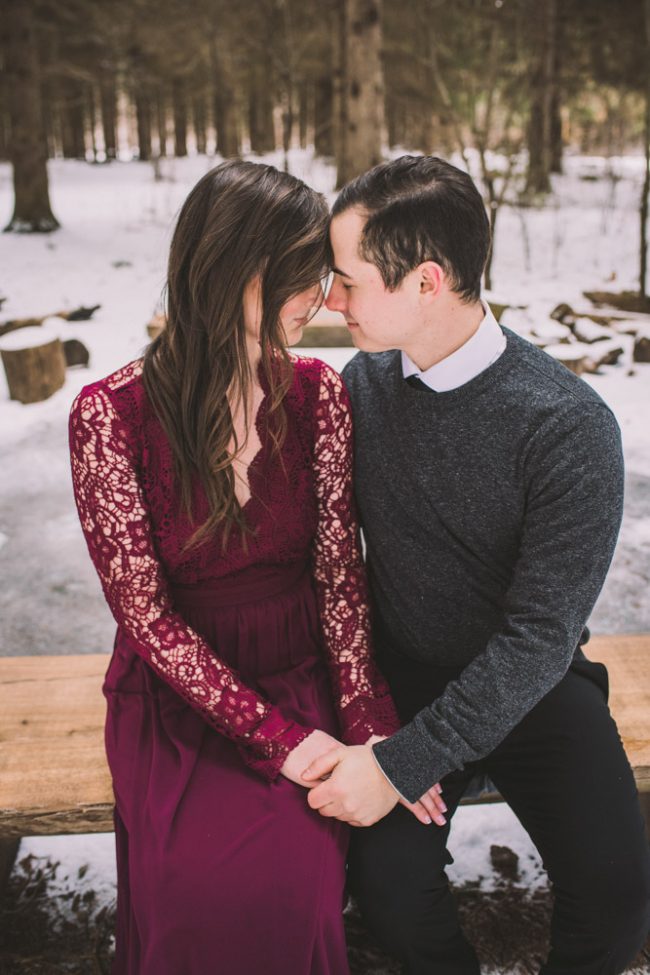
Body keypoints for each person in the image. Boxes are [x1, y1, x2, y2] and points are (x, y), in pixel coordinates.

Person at [68, 160, 444, 975]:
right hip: (178, 698)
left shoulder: (318, 393)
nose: (320, 299)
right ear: (238, 269)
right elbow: (147, 618)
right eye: (301, 275)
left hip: (296, 668)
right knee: (191, 887)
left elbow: (341, 574)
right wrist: (276, 737)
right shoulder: (110, 413)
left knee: (294, 884)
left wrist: (374, 727)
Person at [302, 154, 650, 974]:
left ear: (427, 282)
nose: (332, 300)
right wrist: (385, 734)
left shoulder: (568, 425)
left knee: (618, 893)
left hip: (533, 683)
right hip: (407, 672)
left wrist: (402, 764)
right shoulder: (364, 384)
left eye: (348, 281)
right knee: (386, 890)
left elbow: (537, 638)